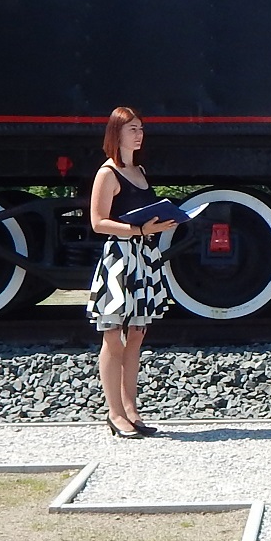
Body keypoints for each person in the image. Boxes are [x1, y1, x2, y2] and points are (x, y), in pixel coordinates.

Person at [87, 106, 174, 438]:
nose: (139, 134)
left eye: (140, 128)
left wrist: (158, 224)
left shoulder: (140, 170)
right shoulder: (107, 173)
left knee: (136, 334)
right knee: (113, 335)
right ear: (117, 133)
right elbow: (98, 222)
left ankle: (131, 410)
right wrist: (137, 230)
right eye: (132, 129)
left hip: (144, 255)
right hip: (120, 257)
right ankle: (115, 413)